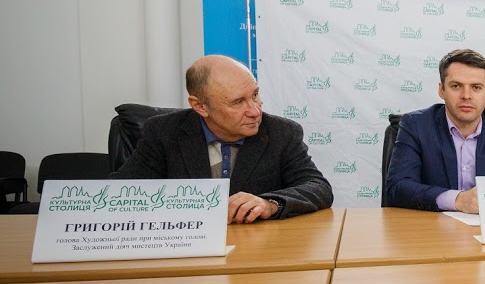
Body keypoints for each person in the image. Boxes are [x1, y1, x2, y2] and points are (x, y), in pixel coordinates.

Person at [112, 55, 333, 223]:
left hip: (256, 249)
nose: (255, 111)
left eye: (255, 95)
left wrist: (270, 203)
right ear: (200, 106)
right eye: (238, 102)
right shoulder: (164, 132)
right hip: (188, 247)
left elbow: (318, 187)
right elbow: (120, 193)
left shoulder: (281, 132)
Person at [385, 48, 485, 213]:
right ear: (442, 90)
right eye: (456, 86)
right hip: (433, 225)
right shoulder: (416, 125)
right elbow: (397, 188)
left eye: (476, 87)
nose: (466, 95)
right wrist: (456, 200)